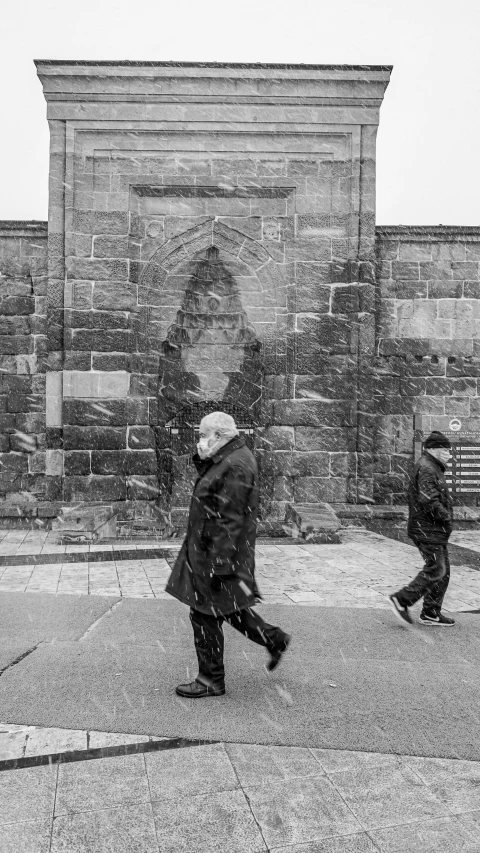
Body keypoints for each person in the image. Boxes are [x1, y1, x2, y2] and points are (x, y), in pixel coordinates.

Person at [165, 411, 291, 697]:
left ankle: (211, 679)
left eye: (202, 435)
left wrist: (218, 564)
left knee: (204, 614)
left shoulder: (236, 464)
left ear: (219, 436)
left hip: (217, 554)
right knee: (229, 608)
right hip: (214, 551)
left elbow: (229, 519)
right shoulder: (230, 458)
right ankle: (274, 639)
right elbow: (214, 494)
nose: (198, 440)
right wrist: (203, 457)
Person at [389, 430, 455, 627]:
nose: (449, 454)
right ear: (434, 450)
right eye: (446, 450)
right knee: (436, 569)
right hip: (428, 529)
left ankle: (431, 613)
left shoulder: (432, 466)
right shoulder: (427, 467)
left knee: (443, 571)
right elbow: (428, 500)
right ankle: (401, 599)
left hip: (432, 529)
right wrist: (446, 517)